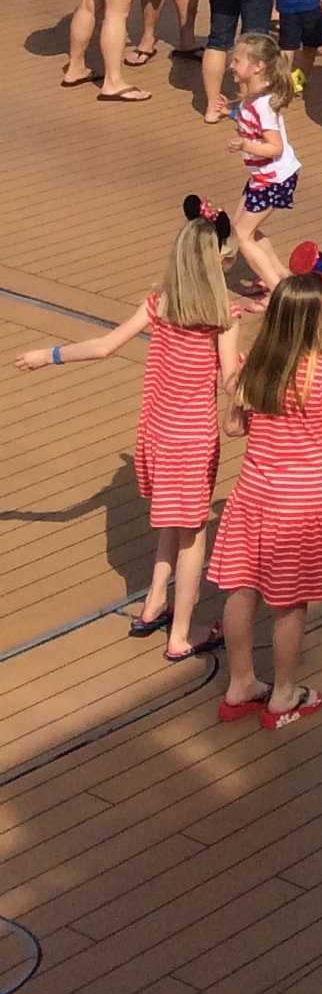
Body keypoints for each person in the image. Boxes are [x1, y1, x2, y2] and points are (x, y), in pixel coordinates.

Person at [16, 197, 243, 662]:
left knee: (171, 518)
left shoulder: (159, 304)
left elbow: (104, 347)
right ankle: (183, 634)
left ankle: (154, 601)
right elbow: (230, 379)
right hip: (192, 441)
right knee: (193, 536)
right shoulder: (223, 317)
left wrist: (49, 355)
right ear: (218, 264)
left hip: (156, 435)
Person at [211, 252, 322, 728]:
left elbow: (234, 428)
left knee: (241, 589)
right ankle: (284, 694)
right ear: (319, 318)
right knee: (290, 604)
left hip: (252, 495)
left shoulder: (255, 366)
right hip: (301, 506)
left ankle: (240, 684)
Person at [225, 36, 303, 298]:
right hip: (264, 177)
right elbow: (249, 122)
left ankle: (277, 291)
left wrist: (245, 144)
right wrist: (229, 113)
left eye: (237, 61)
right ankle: (281, 275)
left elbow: (274, 148)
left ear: (257, 66)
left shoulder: (263, 105)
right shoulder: (252, 99)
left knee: (242, 236)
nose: (232, 65)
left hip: (273, 179)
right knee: (244, 229)